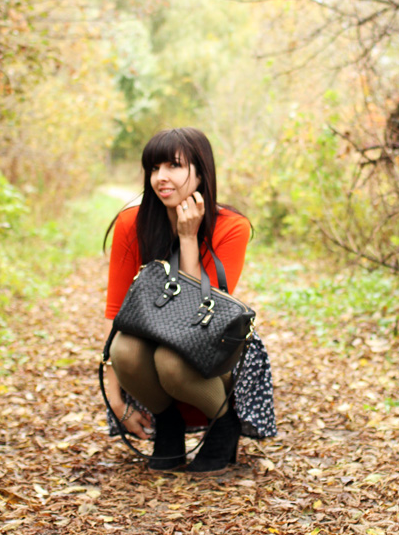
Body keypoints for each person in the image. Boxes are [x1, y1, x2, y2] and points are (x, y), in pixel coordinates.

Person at [103, 127, 276, 474]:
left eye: (174, 166)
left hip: (209, 342)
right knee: (124, 349)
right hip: (150, 335)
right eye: (154, 168)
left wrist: (188, 238)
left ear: (201, 172)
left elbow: (199, 318)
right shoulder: (131, 223)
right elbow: (117, 312)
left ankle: (224, 424)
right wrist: (113, 394)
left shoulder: (232, 227)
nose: (161, 177)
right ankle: (169, 427)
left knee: (172, 360)